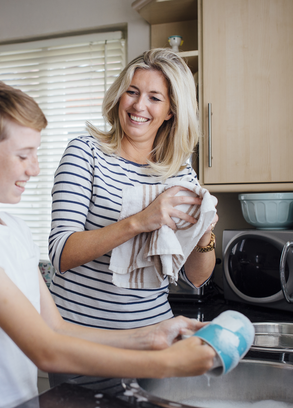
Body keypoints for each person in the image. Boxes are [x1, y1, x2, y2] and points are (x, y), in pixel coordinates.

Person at [0, 79, 216, 408]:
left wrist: (153, 336)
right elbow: (46, 350)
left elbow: (55, 327)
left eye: (35, 154)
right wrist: (168, 365)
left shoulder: (13, 228)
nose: (35, 168)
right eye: (23, 155)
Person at [48, 48, 218, 332]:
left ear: (170, 111)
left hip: (153, 336)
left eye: (154, 98)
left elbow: (195, 279)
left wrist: (204, 233)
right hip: (81, 339)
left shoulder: (181, 173)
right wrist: (139, 222)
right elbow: (61, 253)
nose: (139, 106)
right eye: (132, 92)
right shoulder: (85, 153)